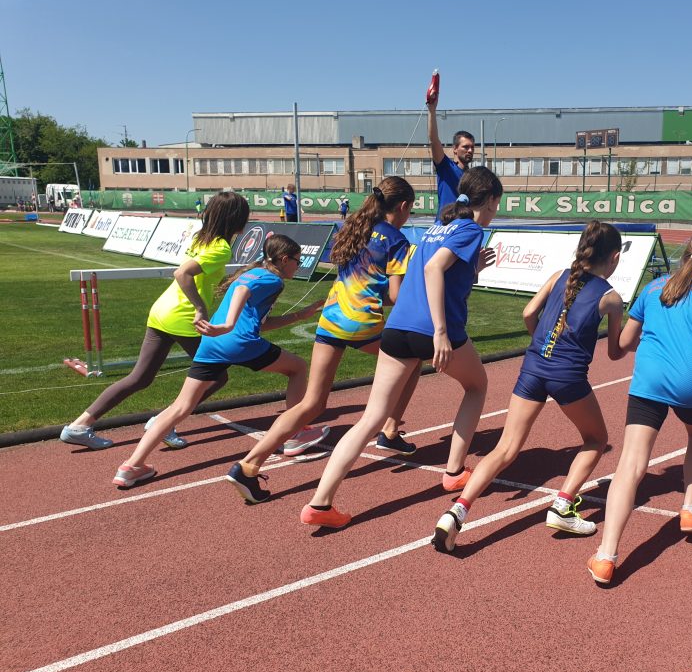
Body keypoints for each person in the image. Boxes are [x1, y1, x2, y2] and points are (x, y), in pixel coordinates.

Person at [298, 166, 502, 528]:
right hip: (434, 329)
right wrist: (440, 331)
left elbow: (440, 271)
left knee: (371, 418)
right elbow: (434, 271)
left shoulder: (436, 227)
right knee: (477, 385)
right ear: (490, 200)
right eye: (496, 205)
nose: (495, 212)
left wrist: (473, 271)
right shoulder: (471, 228)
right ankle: (454, 471)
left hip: (397, 329)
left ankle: (320, 502)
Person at [224, 177, 423, 501]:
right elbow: (397, 294)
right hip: (360, 322)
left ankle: (247, 465)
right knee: (412, 360)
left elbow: (360, 282)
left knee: (312, 402)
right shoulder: (397, 240)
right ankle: (388, 430)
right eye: (409, 210)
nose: (408, 216)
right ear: (402, 207)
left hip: (330, 319)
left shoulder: (353, 228)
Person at [432, 221, 626, 552]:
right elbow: (614, 350)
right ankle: (563, 505)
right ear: (616, 257)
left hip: (533, 368)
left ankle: (456, 511)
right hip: (568, 376)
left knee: (505, 448)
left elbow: (528, 313)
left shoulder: (559, 276)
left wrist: (542, 341)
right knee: (596, 440)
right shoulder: (611, 298)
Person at [588, 230, 692, 585]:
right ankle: (691, 507)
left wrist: (650, 342)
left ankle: (606, 556)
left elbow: (622, 344)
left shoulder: (654, 288)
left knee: (631, 464)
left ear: (685, 257)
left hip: (649, 379)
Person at [112, 234, 324, 491]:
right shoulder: (273, 280)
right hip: (236, 340)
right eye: (297, 260)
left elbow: (261, 322)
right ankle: (295, 435)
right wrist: (228, 324)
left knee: (181, 406)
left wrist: (302, 314)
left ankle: (131, 466)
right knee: (298, 368)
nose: (298, 265)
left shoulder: (251, 274)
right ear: (283, 259)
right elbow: (243, 295)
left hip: (213, 344)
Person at [61, 192, 248, 451]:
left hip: (162, 311)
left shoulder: (202, 239)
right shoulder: (221, 248)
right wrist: (201, 307)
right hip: (184, 319)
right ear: (237, 218)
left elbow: (198, 276)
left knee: (140, 377)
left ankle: (78, 426)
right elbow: (182, 273)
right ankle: (163, 422)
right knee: (217, 376)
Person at [427, 79, 475, 216]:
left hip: (463, 227)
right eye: (465, 147)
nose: (470, 150)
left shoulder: (472, 177)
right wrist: (432, 110)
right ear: (455, 149)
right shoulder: (446, 167)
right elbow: (434, 140)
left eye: (472, 147)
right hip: (444, 227)